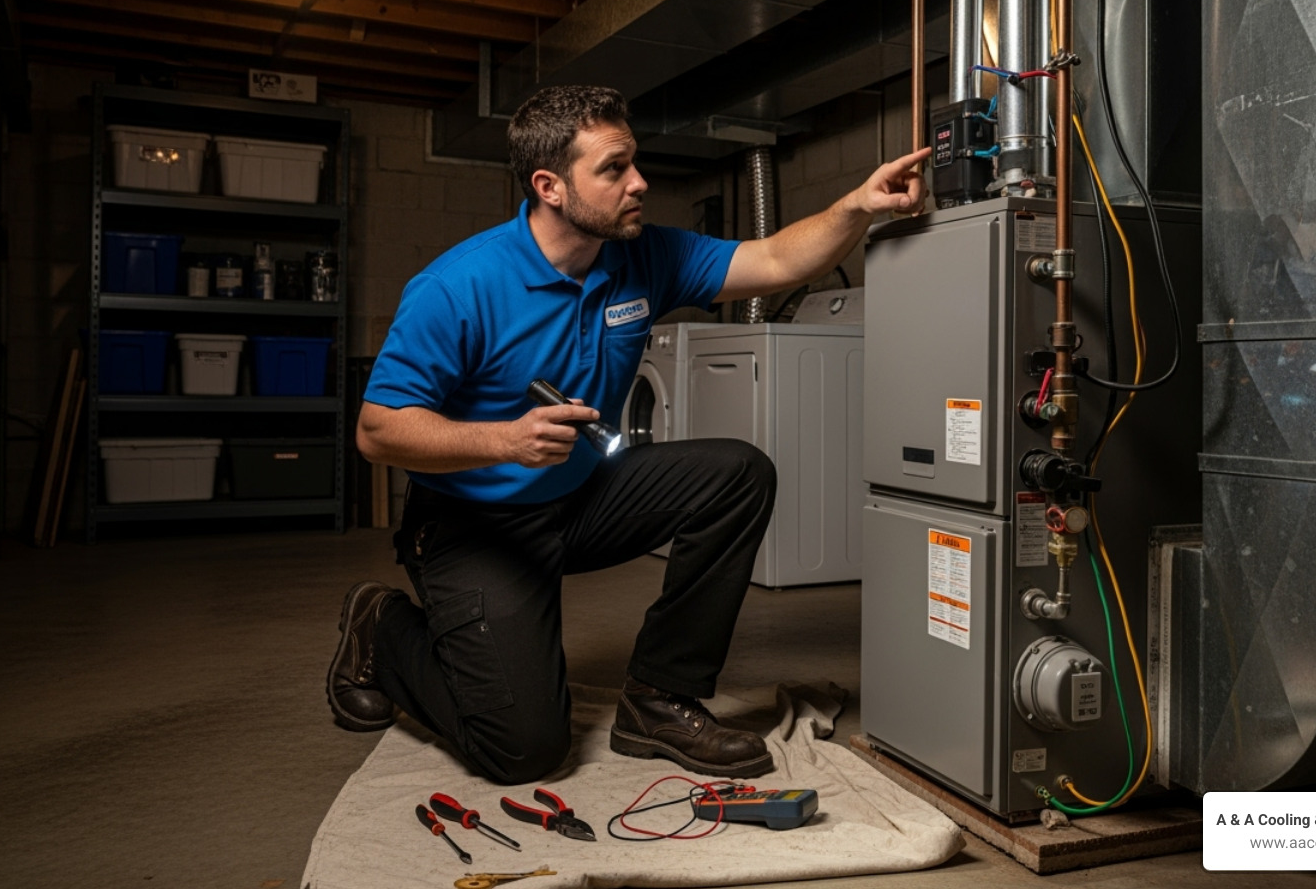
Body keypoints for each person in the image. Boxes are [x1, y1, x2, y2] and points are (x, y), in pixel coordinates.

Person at [329, 84, 929, 784]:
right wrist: (505, 442)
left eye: (634, 162)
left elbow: (773, 262)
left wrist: (857, 205)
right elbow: (377, 431)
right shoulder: (459, 286)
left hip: (578, 499)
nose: (639, 182)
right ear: (550, 187)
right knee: (523, 751)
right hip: (474, 524)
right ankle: (381, 625)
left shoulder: (643, 254)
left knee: (736, 474)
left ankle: (659, 699)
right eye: (613, 169)